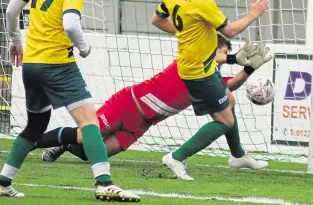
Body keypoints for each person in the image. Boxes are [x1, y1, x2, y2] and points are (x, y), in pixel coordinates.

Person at [0, 0, 140, 202]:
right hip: (58, 64)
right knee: (90, 123)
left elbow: (11, 11)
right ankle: (104, 183)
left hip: (32, 64)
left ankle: (2, 183)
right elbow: (71, 24)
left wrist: (15, 42)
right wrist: (84, 48)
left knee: (35, 127)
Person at [38, 34, 270, 172]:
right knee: (85, 134)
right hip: (128, 104)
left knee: (90, 153)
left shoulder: (211, 80)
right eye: (222, 52)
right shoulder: (192, 62)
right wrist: (232, 58)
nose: (222, 59)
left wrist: (248, 69)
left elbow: (228, 88)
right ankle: (34, 140)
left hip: (141, 123)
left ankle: (64, 145)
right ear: (212, 51)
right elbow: (208, 58)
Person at [152, 0, 270, 180]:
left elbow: (156, 20)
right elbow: (230, 31)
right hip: (198, 71)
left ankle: (238, 155)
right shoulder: (203, 1)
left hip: (202, 66)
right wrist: (254, 14)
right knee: (225, 120)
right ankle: (177, 156)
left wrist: (184, 31)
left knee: (230, 100)